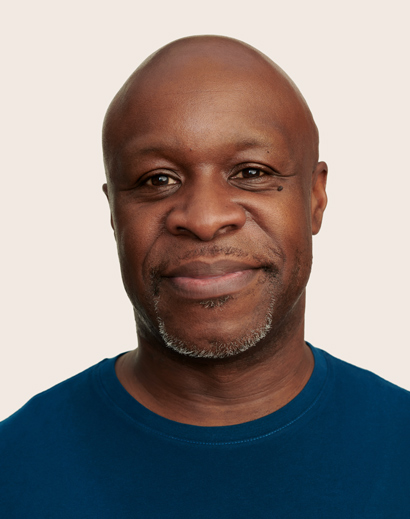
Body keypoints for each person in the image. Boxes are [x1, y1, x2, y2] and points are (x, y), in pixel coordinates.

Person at [1, 35, 409, 517]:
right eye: (158, 179)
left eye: (252, 172)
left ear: (315, 199)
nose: (204, 217)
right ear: (114, 211)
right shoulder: (15, 469)